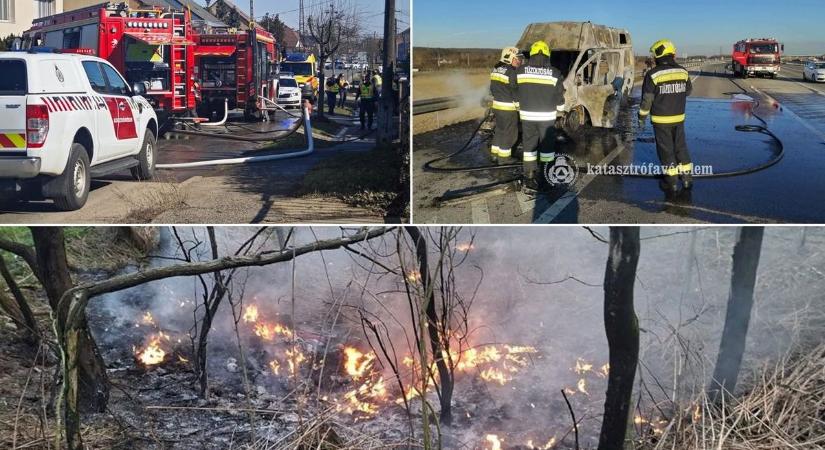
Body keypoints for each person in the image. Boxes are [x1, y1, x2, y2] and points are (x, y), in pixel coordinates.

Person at [638, 39, 694, 195]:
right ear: (672, 54)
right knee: (681, 147)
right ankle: (687, 179)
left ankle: (672, 182)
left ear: (658, 55)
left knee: (666, 151)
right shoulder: (683, 72)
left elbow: (647, 100)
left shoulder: (653, 74)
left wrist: (641, 117)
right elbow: (688, 91)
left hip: (661, 120)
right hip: (679, 118)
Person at [516, 40, 566, 191]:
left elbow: (515, 90)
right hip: (546, 117)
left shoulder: (520, 71)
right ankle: (546, 176)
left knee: (529, 146)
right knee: (547, 147)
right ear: (547, 55)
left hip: (527, 116)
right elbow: (559, 95)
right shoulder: (555, 73)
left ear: (531, 54)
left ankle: (529, 175)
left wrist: (518, 105)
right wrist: (560, 108)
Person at [489, 46, 522, 162]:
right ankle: (504, 158)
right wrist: (519, 107)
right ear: (509, 58)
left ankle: (494, 154)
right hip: (508, 109)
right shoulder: (511, 72)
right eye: (517, 59)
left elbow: (492, 89)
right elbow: (514, 91)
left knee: (500, 130)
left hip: (497, 107)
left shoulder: (496, 69)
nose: (519, 61)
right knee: (510, 133)